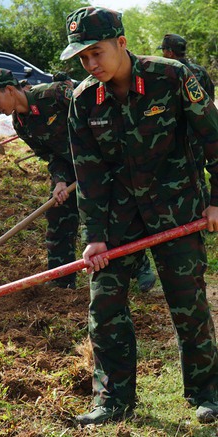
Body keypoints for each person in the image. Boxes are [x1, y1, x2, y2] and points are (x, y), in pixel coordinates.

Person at [60, 6, 218, 425]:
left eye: (97, 53)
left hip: (177, 210)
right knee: (105, 306)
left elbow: (213, 140)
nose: (91, 64)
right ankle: (113, 401)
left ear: (121, 43)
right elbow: (88, 174)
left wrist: (216, 199)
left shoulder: (171, 77)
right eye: (82, 58)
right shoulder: (82, 101)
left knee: (188, 303)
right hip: (117, 220)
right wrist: (93, 235)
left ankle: (207, 392)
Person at [0, 68, 156, 291]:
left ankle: (140, 266)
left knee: (114, 215)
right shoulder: (21, 125)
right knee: (58, 216)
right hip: (71, 168)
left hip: (104, 160)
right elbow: (51, 156)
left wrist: (105, 157)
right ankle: (62, 280)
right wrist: (60, 181)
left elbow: (97, 112)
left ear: (10, 89)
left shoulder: (54, 94)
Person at [158, 33, 215, 204]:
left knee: (180, 177)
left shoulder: (164, 73)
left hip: (175, 136)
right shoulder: (200, 71)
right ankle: (206, 207)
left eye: (163, 50)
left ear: (169, 52)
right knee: (199, 171)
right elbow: (208, 103)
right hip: (198, 133)